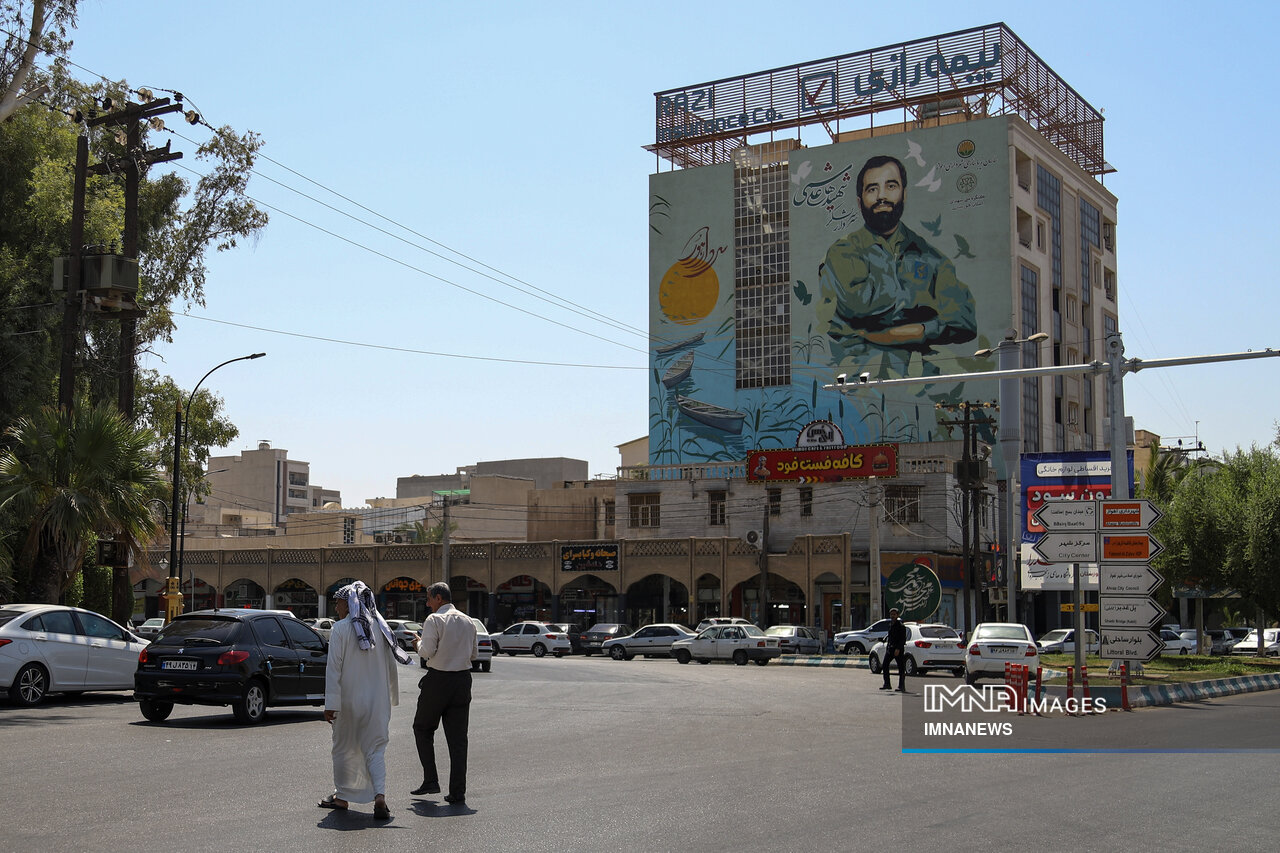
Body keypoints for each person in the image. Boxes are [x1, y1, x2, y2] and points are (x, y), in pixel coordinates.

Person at [817, 154, 977, 380]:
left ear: (904, 194)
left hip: (923, 380)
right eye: (872, 189)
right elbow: (859, 308)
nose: (882, 196)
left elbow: (964, 321)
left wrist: (919, 330)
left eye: (891, 186)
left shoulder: (930, 257)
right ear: (859, 201)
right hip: (857, 380)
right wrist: (924, 312)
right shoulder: (843, 252)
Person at [318, 580, 412, 819]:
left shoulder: (340, 629)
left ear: (349, 603)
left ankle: (342, 798)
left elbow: (333, 669)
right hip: (377, 703)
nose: (336, 608)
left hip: (348, 702)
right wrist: (391, 697)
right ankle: (379, 796)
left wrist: (330, 705)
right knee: (376, 750)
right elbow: (391, 667)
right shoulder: (381, 628)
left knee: (344, 749)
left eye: (339, 603)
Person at [412, 581, 478, 805]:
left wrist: (418, 644)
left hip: (439, 680)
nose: (428, 604)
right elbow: (473, 654)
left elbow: (427, 651)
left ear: (439, 598)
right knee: (458, 739)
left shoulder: (434, 619)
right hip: (462, 681)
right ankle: (457, 792)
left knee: (422, 728)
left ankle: (431, 780)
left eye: (429, 599)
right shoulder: (468, 621)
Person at [880, 607, 908, 693]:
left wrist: (898, 649)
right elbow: (890, 638)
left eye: (894, 614)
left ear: (897, 615)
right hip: (890, 649)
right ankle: (887, 684)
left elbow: (902, 639)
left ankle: (901, 686)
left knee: (901, 668)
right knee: (885, 665)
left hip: (898, 649)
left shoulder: (901, 626)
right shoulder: (890, 625)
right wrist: (888, 647)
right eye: (891, 614)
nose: (892, 616)